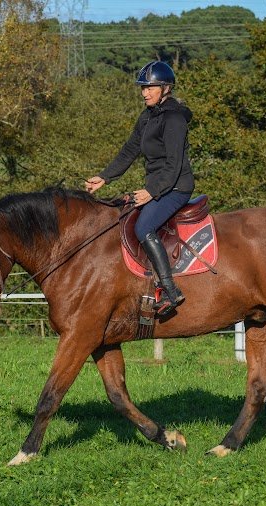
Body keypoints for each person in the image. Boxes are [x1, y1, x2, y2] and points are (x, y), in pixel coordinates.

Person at [85, 60, 195, 317]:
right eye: (143, 88)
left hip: (176, 187)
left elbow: (173, 164)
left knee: (144, 227)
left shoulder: (174, 118)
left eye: (150, 87)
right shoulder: (147, 116)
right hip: (159, 186)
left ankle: (170, 290)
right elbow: (129, 151)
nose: (145, 92)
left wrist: (151, 192)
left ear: (165, 88)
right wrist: (105, 177)